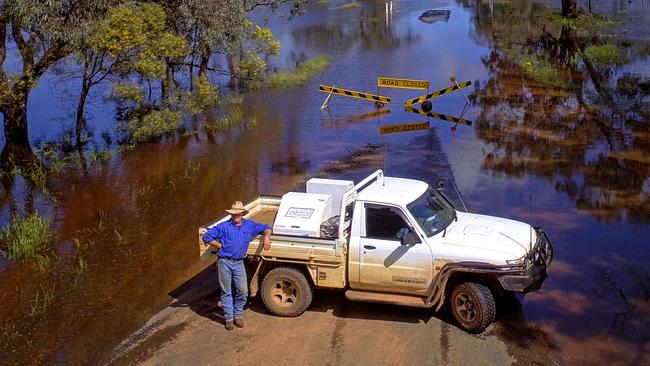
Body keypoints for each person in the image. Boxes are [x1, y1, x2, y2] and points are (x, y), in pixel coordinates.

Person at [202, 201, 272, 330]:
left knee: (243, 291)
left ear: (242, 214)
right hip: (224, 262)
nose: (236, 216)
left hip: (239, 263)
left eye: (238, 214)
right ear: (231, 215)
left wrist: (266, 237)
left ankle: (238, 314)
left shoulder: (250, 226)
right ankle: (229, 318)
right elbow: (206, 237)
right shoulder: (223, 226)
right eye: (234, 214)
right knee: (226, 291)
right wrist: (218, 245)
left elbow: (267, 227)